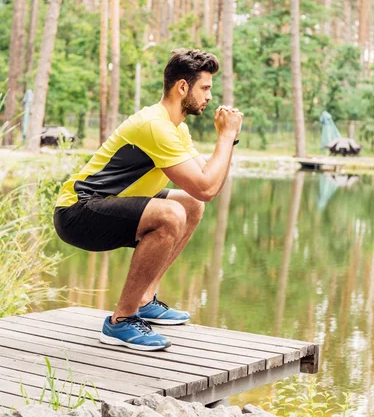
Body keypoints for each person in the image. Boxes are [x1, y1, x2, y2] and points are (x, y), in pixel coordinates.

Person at [53, 48, 243, 351]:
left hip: (107, 204)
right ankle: (120, 321)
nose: (209, 96)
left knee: (190, 206)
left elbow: (205, 186)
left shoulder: (176, 128)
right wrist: (224, 137)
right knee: (171, 214)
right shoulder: (154, 125)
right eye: (205, 88)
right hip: (77, 212)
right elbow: (206, 186)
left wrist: (229, 139)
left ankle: (144, 301)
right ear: (183, 87)